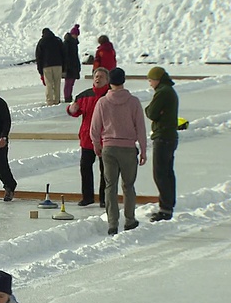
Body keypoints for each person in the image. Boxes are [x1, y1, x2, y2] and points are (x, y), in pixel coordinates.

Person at [90, 68, 147, 236]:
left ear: (109, 82)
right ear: (124, 80)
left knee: (110, 186)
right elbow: (141, 128)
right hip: (128, 149)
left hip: (109, 148)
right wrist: (143, 150)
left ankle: (112, 223)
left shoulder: (102, 102)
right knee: (128, 186)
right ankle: (129, 220)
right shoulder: (134, 102)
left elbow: (94, 128)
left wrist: (96, 145)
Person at [67, 67, 109, 208]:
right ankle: (87, 197)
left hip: (106, 138)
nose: (98, 79)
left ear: (107, 80)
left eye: (101, 77)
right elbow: (75, 110)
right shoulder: (84, 95)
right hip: (87, 138)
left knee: (106, 170)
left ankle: (104, 198)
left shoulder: (111, 95)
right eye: (96, 76)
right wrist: (71, 109)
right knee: (85, 167)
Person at [145, 66, 179, 222]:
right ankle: (168, 205)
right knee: (167, 172)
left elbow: (151, 113)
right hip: (170, 136)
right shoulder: (169, 91)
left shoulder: (162, 92)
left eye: (151, 80)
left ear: (157, 79)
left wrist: (150, 109)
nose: (150, 84)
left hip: (162, 136)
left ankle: (165, 209)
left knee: (160, 173)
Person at [35, 28, 65, 106]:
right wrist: (64, 66)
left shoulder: (42, 42)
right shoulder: (57, 40)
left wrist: (40, 70)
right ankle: (57, 100)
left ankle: (50, 101)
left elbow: (38, 57)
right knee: (57, 83)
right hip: (58, 65)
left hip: (46, 66)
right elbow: (63, 54)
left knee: (49, 84)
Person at [62, 24, 81, 103]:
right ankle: (67, 97)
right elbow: (65, 55)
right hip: (69, 66)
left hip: (73, 66)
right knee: (68, 83)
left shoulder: (74, 43)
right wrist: (66, 66)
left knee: (71, 83)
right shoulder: (67, 43)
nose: (76, 36)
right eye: (75, 35)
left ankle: (69, 96)